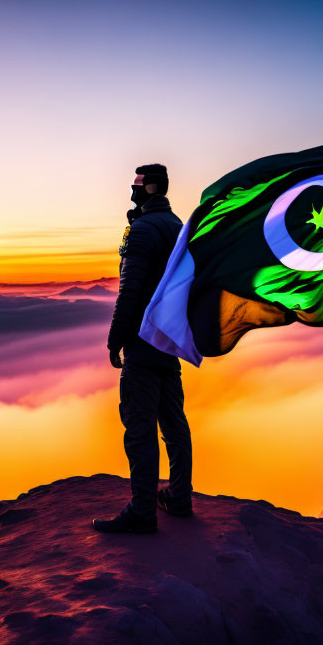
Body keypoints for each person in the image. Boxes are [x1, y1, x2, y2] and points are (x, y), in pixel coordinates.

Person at [93, 163, 193, 533]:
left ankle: (142, 511)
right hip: (171, 340)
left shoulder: (143, 230)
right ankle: (180, 498)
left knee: (139, 428)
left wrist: (115, 339)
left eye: (136, 184)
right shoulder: (178, 226)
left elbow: (130, 290)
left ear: (150, 188)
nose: (131, 190)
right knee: (174, 423)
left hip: (143, 339)